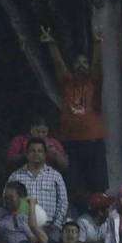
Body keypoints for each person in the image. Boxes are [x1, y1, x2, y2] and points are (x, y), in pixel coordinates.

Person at [40, 26, 106, 201]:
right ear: (73, 67)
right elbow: (58, 64)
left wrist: (97, 43)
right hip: (70, 143)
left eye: (85, 63)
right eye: (78, 63)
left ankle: (99, 216)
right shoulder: (68, 83)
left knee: (97, 185)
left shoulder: (94, 83)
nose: (81, 65)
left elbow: (98, 65)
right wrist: (52, 44)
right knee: (72, 185)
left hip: (93, 142)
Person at [6, 136, 68, 236]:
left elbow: (63, 203)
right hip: (22, 229)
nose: (36, 154)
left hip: (49, 227)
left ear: (45, 154)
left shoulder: (55, 176)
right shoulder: (16, 176)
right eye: (32, 151)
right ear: (26, 154)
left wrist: (56, 226)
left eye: (40, 151)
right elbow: (7, 200)